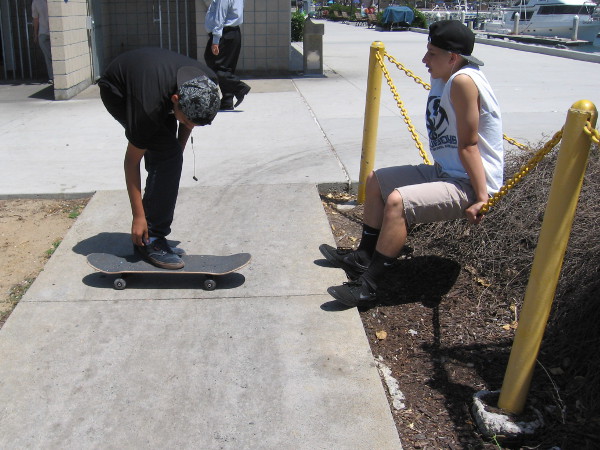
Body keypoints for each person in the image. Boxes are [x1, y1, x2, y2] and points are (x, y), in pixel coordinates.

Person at [321, 20, 504, 307]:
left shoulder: (463, 82)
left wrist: (482, 198)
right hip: (447, 173)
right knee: (376, 181)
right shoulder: (447, 76)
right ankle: (363, 257)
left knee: (398, 202)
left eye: (431, 53)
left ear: (452, 57)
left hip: (471, 181)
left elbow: (469, 145)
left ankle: (369, 285)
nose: (424, 60)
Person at [97, 47, 220, 270]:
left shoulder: (207, 82)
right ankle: (150, 238)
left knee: (167, 156)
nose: (190, 126)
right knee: (164, 154)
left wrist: (174, 155)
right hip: (119, 89)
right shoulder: (147, 109)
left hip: (152, 78)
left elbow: (187, 122)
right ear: (175, 99)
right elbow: (130, 163)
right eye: (189, 120)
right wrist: (138, 216)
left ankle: (153, 230)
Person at [204, 0, 251, 111]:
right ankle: (227, 100)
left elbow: (221, 15)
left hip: (224, 34)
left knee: (214, 65)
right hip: (233, 33)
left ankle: (240, 87)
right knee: (226, 68)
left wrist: (216, 40)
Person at [31, 0, 53, 83]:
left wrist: (35, 34)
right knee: (50, 56)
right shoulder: (36, 2)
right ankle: (53, 76)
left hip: (44, 32)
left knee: (49, 57)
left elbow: (35, 19)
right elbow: (36, 19)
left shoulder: (36, 2)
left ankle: (52, 77)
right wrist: (36, 34)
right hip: (47, 33)